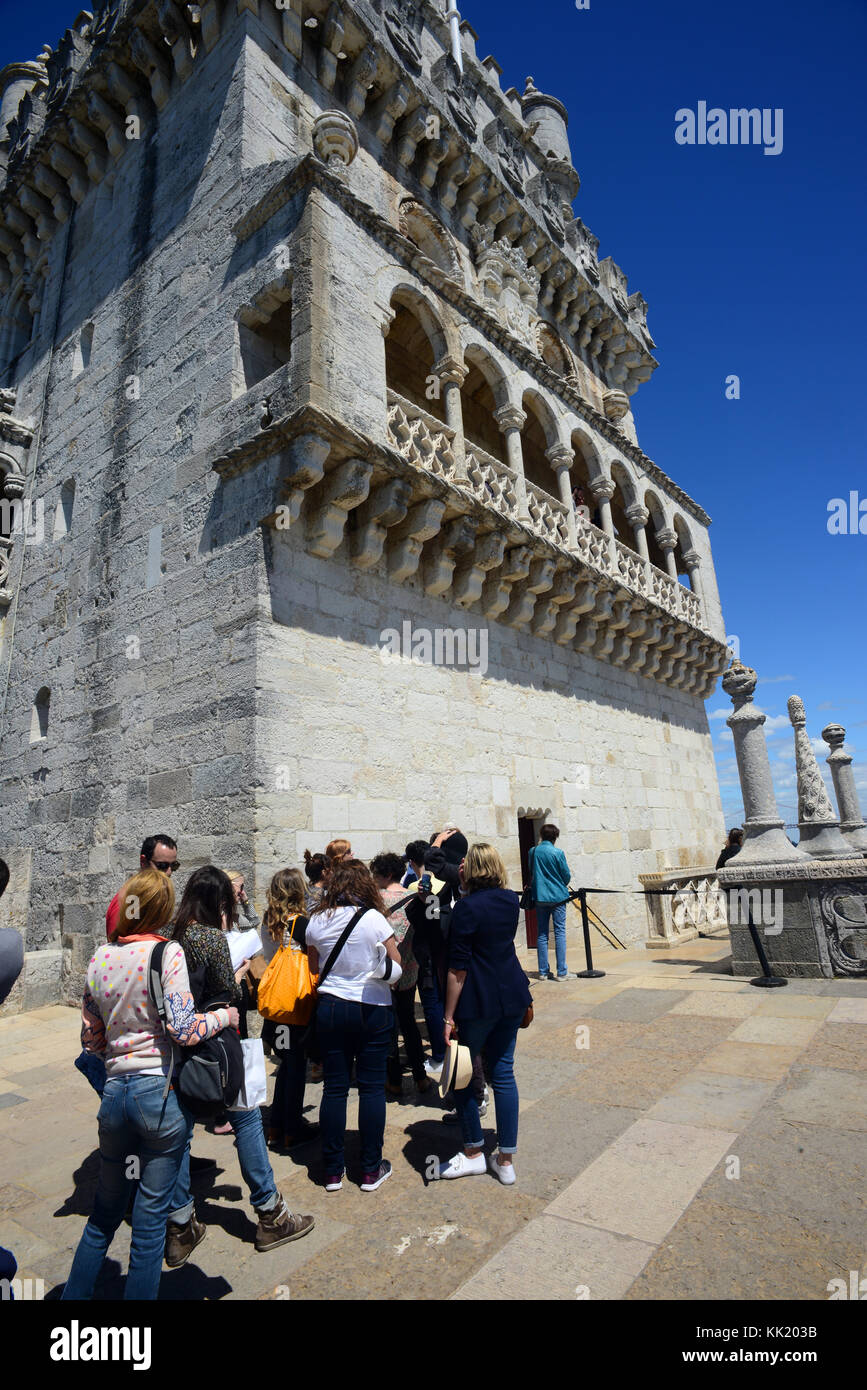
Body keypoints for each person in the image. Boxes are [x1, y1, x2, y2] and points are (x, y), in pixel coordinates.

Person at [61, 869, 237, 1300]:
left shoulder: (100, 957)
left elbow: (91, 1038)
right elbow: (182, 1028)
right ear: (161, 909)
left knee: (103, 1214)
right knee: (150, 1221)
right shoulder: (166, 953)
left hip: (115, 1095)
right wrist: (222, 1018)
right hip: (157, 1093)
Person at [164, 866, 314, 1259]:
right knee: (246, 1117)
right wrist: (242, 970)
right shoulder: (211, 939)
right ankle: (270, 1214)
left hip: (177, 1051)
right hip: (218, 1043)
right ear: (220, 902)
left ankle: (180, 1225)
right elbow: (228, 991)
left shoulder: (171, 936)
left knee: (179, 1133)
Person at [437, 843, 532, 1185]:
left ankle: (475, 1151)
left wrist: (448, 1017)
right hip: (512, 995)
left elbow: (457, 969)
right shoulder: (510, 902)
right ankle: (505, 1159)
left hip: (478, 1000)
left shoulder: (466, 908)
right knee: (503, 1073)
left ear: (469, 870)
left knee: (462, 1074)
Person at [306, 860, 403, 1193]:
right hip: (372, 1007)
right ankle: (370, 1169)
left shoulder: (317, 920)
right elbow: (396, 963)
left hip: (332, 1006)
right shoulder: (374, 919)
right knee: (372, 1088)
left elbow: (314, 965)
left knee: (334, 1088)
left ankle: (333, 1171)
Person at [262, 867, 319, 1150]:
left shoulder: (269, 920)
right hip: (295, 1004)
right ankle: (292, 1129)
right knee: (297, 1068)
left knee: (287, 1064)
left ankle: (276, 1125)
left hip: (276, 1006)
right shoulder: (300, 923)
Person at [370, 852, 428, 1097]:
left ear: (387, 874)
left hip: (384, 972)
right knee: (409, 1024)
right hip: (409, 969)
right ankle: (420, 1077)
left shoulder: (375, 901)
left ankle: (393, 1080)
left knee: (390, 1027)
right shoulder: (414, 897)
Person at [105, 834, 178, 940]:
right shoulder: (132, 899)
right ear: (143, 862)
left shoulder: (148, 897)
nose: (169, 872)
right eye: (162, 866)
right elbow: (120, 945)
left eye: (174, 866)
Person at [528, 823, 573, 981]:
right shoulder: (558, 853)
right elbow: (566, 876)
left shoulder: (533, 852)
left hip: (540, 896)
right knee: (559, 932)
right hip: (558, 897)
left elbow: (531, 871)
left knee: (542, 933)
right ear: (555, 837)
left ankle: (543, 971)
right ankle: (561, 972)